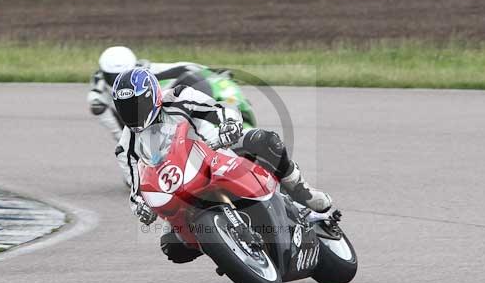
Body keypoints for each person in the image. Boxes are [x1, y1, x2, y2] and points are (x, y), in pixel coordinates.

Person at [112, 67, 332, 263]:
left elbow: (218, 108)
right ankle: (226, 246)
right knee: (173, 246)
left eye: (136, 105)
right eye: (125, 108)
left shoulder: (179, 96)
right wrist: (139, 206)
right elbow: (136, 186)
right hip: (181, 182)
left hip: (217, 147)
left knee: (266, 141)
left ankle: (301, 190)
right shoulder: (126, 145)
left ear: (151, 96)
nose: (132, 113)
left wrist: (230, 124)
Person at [87, 46, 210, 142]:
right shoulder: (98, 91)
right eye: (112, 77)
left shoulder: (145, 72)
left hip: (163, 120)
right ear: (103, 73)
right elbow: (117, 131)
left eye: (122, 75)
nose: (119, 82)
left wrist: (208, 70)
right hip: (134, 129)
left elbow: (182, 67)